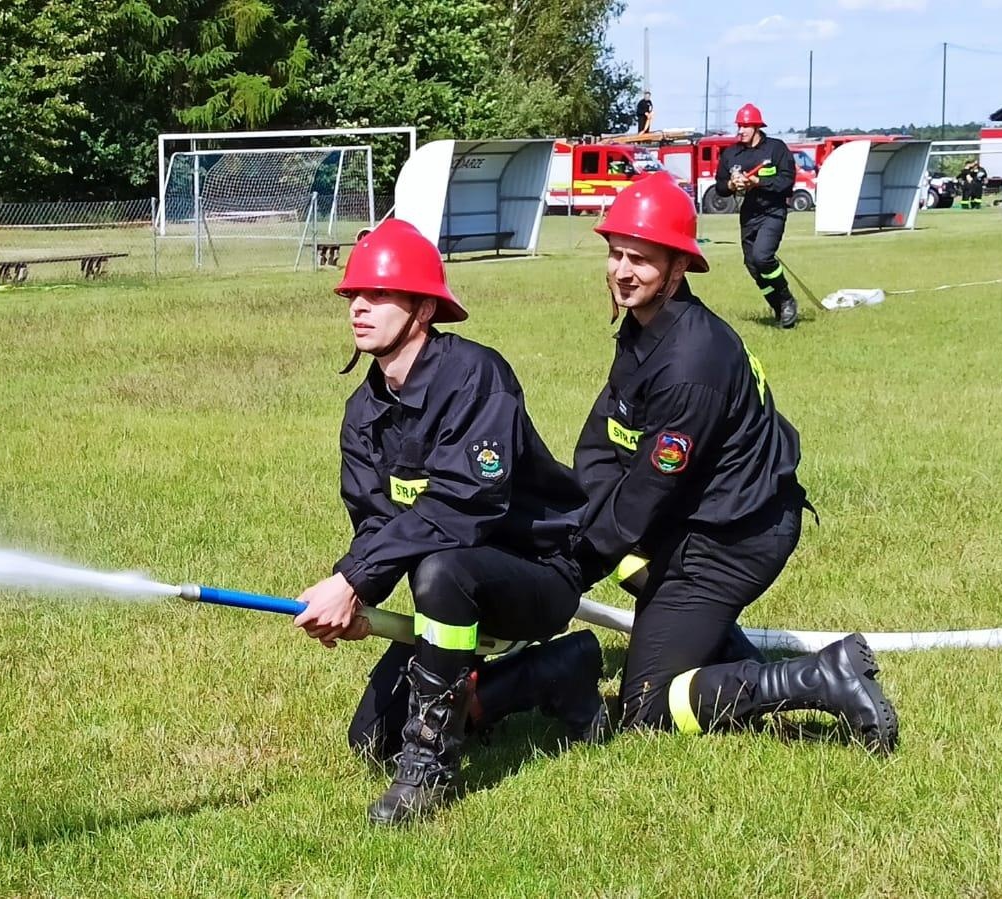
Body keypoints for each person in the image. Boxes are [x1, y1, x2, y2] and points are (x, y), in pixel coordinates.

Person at [293, 218, 610, 826]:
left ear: (423, 307)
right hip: (450, 594)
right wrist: (360, 602)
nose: (359, 308)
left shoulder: (476, 376)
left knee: (442, 567)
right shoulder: (364, 412)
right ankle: (556, 671)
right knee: (371, 740)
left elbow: (467, 504)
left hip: (536, 576)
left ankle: (429, 767)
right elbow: (375, 525)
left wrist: (353, 580)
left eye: (379, 295)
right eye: (354, 296)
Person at [569, 174, 898, 753]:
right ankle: (719, 645)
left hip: (734, 537)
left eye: (640, 259)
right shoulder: (644, 329)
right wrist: (590, 524)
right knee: (638, 573)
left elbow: (646, 494)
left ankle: (821, 676)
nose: (622, 271)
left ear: (678, 268)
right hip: (693, 521)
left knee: (646, 708)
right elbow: (599, 442)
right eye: (616, 254)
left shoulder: (691, 362)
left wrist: (571, 560)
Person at [715, 103, 799, 329]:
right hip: (748, 215)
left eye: (745, 126)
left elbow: (786, 181)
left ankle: (786, 299)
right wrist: (732, 184)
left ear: (757, 127)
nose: (740, 130)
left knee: (762, 256)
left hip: (773, 212)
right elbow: (720, 186)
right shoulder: (731, 154)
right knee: (752, 264)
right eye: (739, 125)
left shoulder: (776, 149)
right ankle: (778, 306)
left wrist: (758, 182)